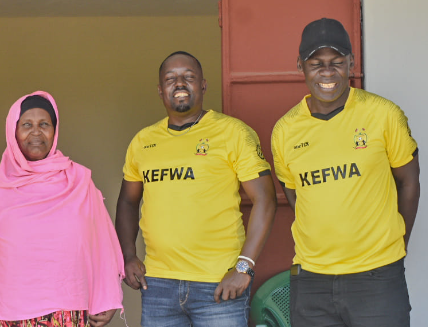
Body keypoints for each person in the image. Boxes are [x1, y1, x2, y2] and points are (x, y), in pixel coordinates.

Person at [271, 18, 420, 327]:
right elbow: (294, 192)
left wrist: (397, 241)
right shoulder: (285, 130)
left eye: (337, 62)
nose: (327, 73)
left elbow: (409, 182)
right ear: (300, 65)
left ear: (351, 62)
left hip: (377, 277)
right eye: (316, 64)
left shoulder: (383, 114)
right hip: (312, 279)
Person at [116, 51, 277, 327]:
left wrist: (243, 267)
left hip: (218, 284)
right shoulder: (143, 141)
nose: (179, 83)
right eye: (171, 78)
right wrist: (128, 256)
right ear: (160, 89)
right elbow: (128, 203)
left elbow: (265, 199)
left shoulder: (233, 133)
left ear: (203, 85)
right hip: (158, 286)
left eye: (188, 77)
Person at [0, 91, 124, 327]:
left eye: (44, 124)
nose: (36, 132)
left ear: (55, 130)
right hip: (6, 315)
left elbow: (101, 242)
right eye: (26, 125)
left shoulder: (79, 181)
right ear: (13, 131)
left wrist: (107, 296)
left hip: (67, 312)